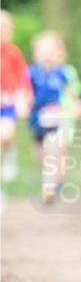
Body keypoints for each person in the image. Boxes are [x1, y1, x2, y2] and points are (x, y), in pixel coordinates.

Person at [28, 31, 81, 203]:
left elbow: (75, 94)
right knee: (41, 155)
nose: (46, 54)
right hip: (38, 120)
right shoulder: (31, 73)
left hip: (61, 120)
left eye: (50, 50)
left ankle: (50, 185)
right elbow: (24, 91)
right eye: (42, 50)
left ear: (60, 53)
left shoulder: (66, 72)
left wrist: (77, 107)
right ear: (35, 54)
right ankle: (55, 180)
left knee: (54, 150)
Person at [0, 10, 33, 186]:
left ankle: (9, 153)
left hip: (7, 103)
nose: (4, 32)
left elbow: (23, 77)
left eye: (7, 28)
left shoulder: (13, 52)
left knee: (5, 135)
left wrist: (24, 98)